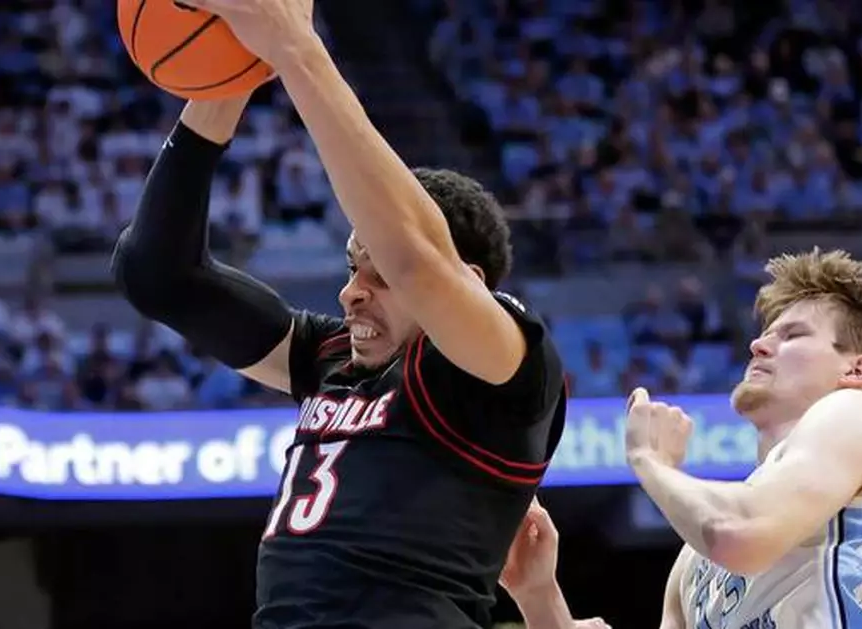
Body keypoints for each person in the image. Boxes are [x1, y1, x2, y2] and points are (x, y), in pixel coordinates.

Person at [111, 0, 566, 627]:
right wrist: (232, 70)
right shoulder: (332, 358)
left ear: (475, 285)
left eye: (375, 272)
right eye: (353, 267)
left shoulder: (508, 366)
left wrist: (296, 46)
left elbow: (419, 261)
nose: (352, 292)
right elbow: (158, 275)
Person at [502, 250, 862, 629]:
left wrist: (651, 462)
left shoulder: (858, 413)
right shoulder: (695, 559)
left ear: (855, 372)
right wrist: (540, 598)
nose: (759, 344)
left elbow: (739, 534)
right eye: (766, 333)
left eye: (794, 335)